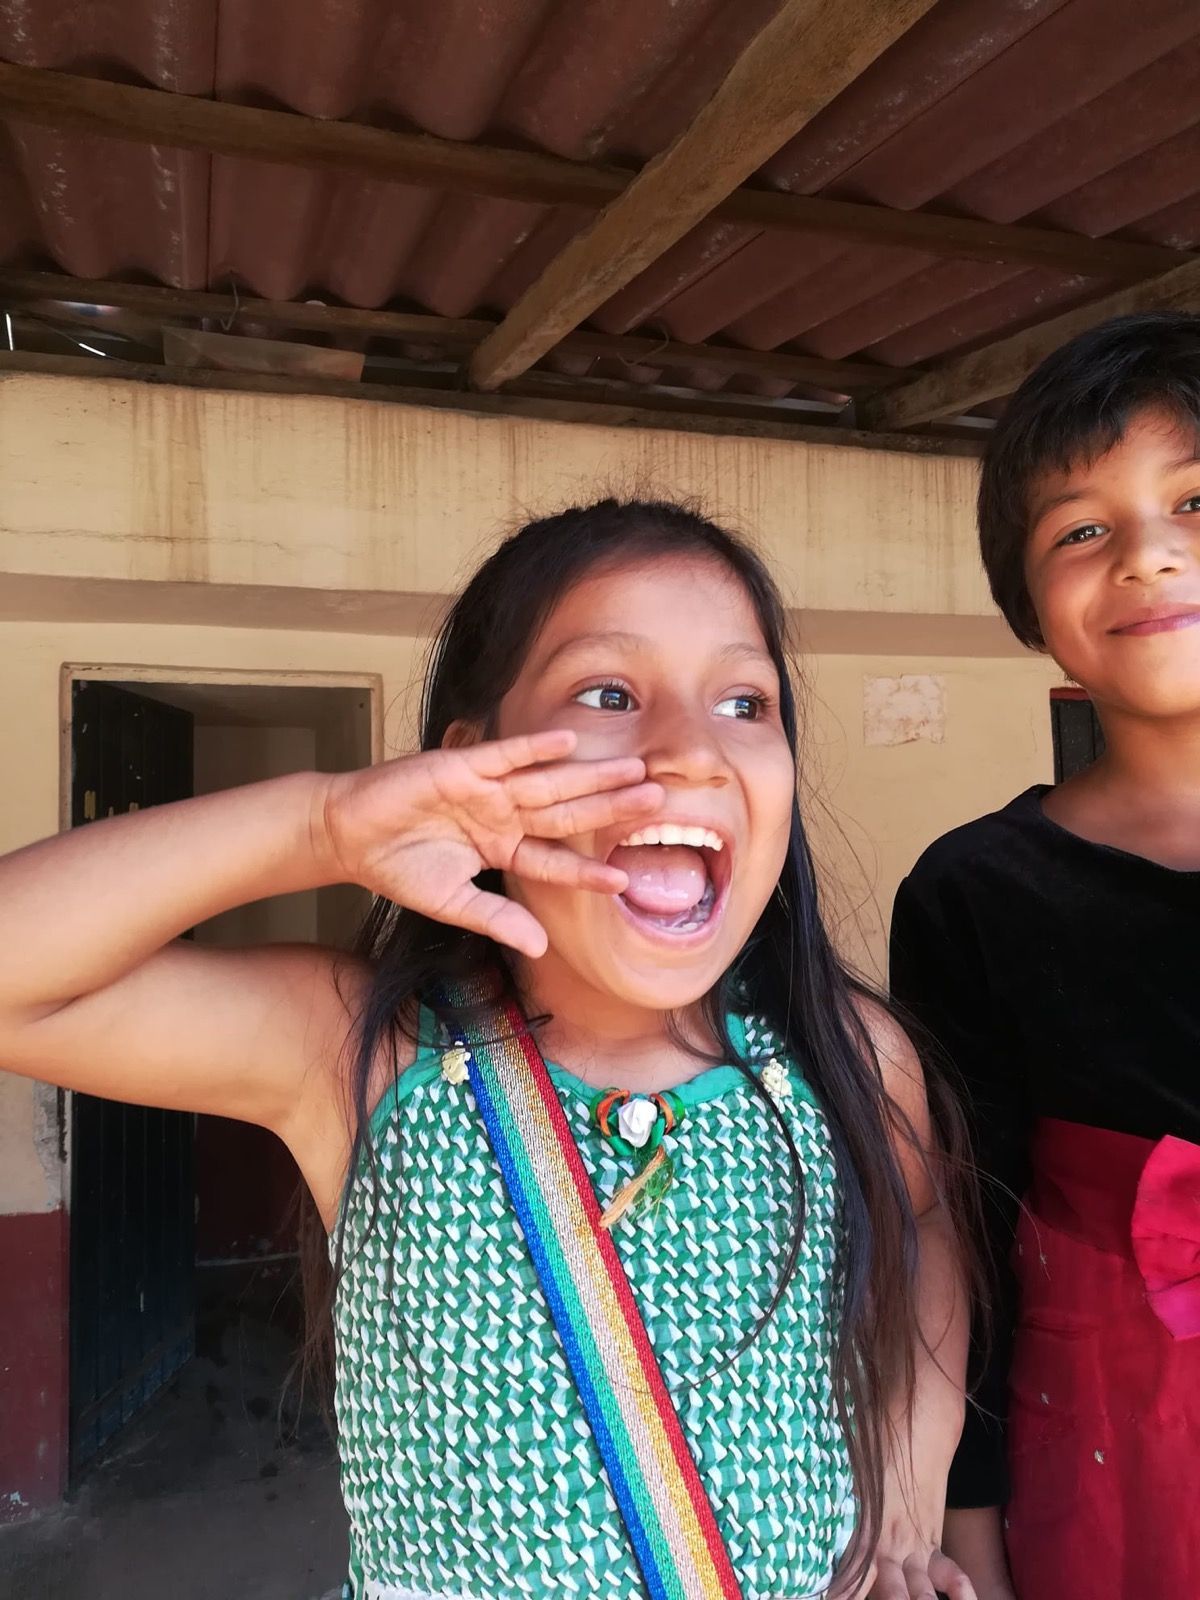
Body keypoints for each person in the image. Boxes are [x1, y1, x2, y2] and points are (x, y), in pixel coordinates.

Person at [0, 498, 971, 1600]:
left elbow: (922, 1226)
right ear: (469, 763)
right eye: (610, 692)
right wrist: (321, 828)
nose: (693, 751)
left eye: (745, 701)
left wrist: (903, 1484)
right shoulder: (367, 1055)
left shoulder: (845, 1058)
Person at [890, 314, 1200, 1600]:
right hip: (1107, 1452)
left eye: (1193, 498)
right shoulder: (974, 893)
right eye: (1082, 527)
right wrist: (966, 1525)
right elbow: (958, 1227)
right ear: (1028, 602)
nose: (1147, 557)